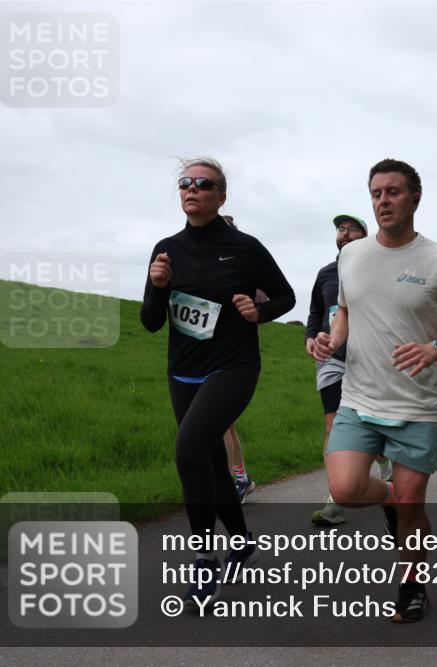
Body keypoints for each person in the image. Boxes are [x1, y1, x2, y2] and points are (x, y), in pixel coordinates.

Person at [312, 158, 437, 623]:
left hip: (416, 404)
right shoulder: (352, 255)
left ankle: (411, 584)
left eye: (393, 192)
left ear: (415, 198)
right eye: (376, 194)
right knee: (344, 489)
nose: (383, 201)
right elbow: (344, 311)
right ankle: (386, 495)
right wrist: (332, 340)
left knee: (412, 509)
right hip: (359, 398)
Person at [140, 157, 295, 607]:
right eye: (185, 183)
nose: (192, 189)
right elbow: (150, 322)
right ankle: (242, 540)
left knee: (189, 449)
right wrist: (156, 286)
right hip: (182, 370)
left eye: (203, 184)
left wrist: (259, 311)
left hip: (234, 367)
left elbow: (284, 295)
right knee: (209, 463)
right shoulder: (166, 249)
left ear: (221, 196)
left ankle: (205, 562)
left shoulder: (244, 247)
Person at [306, 213, 392, 526]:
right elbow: (315, 312)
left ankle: (384, 462)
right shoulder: (326, 273)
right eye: (340, 230)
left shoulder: (379, 272)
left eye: (352, 229)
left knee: (369, 424)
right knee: (333, 425)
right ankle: (334, 500)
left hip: (370, 360)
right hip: (333, 358)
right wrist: (310, 338)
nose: (344, 234)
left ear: (365, 237)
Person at [219, 215, 265, 504]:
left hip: (233, 354)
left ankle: (233, 482)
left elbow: (267, 300)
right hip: (206, 355)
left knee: (222, 424)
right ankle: (240, 478)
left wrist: (252, 310)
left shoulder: (243, 264)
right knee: (226, 425)